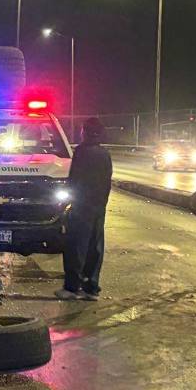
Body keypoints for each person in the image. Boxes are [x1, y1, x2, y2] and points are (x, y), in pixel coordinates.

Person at [57, 117, 113, 301]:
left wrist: (67, 202)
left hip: (81, 206)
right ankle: (91, 288)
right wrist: (101, 203)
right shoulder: (105, 154)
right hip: (98, 207)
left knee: (75, 246)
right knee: (95, 246)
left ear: (85, 132)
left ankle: (72, 287)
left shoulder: (81, 152)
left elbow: (74, 180)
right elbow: (107, 182)